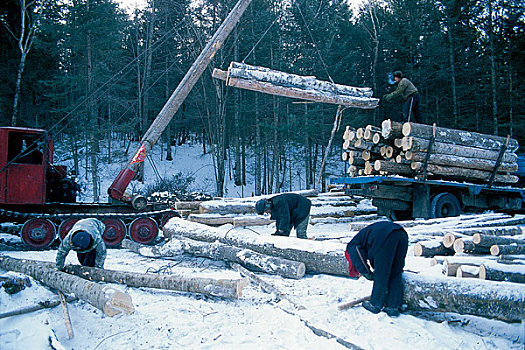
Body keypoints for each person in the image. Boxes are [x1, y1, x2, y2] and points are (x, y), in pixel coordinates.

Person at [345, 221, 408, 317]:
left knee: (381, 272)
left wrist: (367, 273)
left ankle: (375, 304)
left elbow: (358, 258)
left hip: (385, 236)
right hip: (402, 234)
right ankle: (393, 307)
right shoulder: (363, 237)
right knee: (396, 271)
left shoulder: (351, 245)